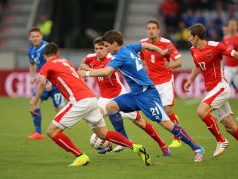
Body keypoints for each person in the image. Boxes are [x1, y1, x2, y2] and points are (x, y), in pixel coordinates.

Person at [79, 30, 204, 162]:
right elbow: (145, 46)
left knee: (166, 124)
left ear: (114, 43)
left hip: (147, 95)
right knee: (111, 107)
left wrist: (86, 74)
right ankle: (124, 140)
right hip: (135, 94)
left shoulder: (119, 56)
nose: (106, 48)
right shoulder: (128, 48)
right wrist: (160, 51)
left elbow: (107, 72)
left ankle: (196, 148)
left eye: (107, 45)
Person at [29, 42, 152, 167]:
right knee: (103, 134)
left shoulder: (47, 65)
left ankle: (80, 156)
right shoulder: (65, 62)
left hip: (79, 101)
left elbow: (42, 83)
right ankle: (135, 147)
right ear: (57, 53)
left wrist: (34, 103)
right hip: (91, 98)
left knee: (52, 132)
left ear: (45, 56)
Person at [183, 23, 238, 165]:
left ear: (196, 37)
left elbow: (237, 54)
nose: (188, 38)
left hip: (221, 87)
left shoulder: (216, 46)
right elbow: (198, 66)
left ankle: (220, 140)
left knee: (201, 111)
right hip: (212, 91)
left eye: (190, 36)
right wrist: (190, 80)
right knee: (231, 128)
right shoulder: (193, 50)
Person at [79, 37, 170, 156]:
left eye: (102, 48)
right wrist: (83, 68)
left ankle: (162, 144)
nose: (99, 51)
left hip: (119, 94)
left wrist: (88, 70)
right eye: (96, 48)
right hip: (104, 98)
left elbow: (107, 73)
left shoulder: (113, 58)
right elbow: (82, 64)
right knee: (97, 117)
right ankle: (111, 143)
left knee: (140, 122)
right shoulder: (91, 57)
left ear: (107, 48)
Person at [139, 19, 183, 148]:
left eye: (153, 28)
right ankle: (174, 119)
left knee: (167, 109)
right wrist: (146, 68)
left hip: (165, 81)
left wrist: (170, 65)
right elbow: (142, 58)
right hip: (151, 82)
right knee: (158, 112)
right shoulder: (142, 43)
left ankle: (177, 139)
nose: (151, 31)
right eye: (149, 28)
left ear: (158, 30)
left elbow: (179, 62)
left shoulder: (166, 43)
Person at [27, 27, 65, 140]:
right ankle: (38, 132)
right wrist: (32, 76)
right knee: (33, 104)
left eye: (37, 36)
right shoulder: (31, 50)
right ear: (30, 38)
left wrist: (49, 81)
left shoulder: (47, 47)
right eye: (33, 36)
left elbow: (54, 63)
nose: (35, 38)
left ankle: (59, 131)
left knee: (60, 110)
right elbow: (32, 63)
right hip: (43, 82)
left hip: (54, 84)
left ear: (41, 36)